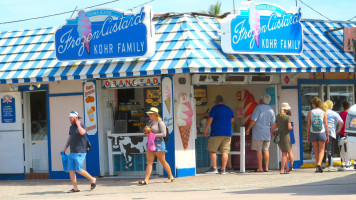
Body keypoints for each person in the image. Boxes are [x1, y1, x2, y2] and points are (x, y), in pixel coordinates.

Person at [62, 111, 96, 193]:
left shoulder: (82, 125)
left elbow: (82, 132)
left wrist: (78, 124)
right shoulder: (71, 127)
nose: (69, 119)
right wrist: (65, 147)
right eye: (69, 117)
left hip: (80, 151)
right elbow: (70, 138)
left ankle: (92, 179)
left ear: (76, 118)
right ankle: (75, 188)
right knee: (71, 170)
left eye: (71, 117)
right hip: (72, 151)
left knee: (79, 170)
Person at [139, 107, 175, 185]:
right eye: (149, 114)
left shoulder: (160, 122)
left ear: (155, 114)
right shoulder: (150, 123)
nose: (149, 115)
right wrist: (147, 133)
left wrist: (153, 135)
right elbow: (148, 133)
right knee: (149, 162)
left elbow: (164, 134)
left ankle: (171, 176)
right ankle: (146, 180)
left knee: (162, 161)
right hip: (150, 143)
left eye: (151, 114)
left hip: (158, 143)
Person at [204, 95, 234, 175]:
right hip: (227, 133)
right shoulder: (229, 109)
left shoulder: (215, 108)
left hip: (216, 133)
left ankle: (214, 168)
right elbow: (232, 120)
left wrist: (206, 129)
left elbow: (210, 119)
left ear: (216, 101)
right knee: (225, 151)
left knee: (212, 150)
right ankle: (223, 169)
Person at [246, 94, 275, 172]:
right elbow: (273, 124)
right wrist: (271, 132)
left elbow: (253, 120)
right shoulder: (271, 110)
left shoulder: (258, 108)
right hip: (267, 133)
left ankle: (260, 168)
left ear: (262, 100)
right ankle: (266, 167)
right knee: (266, 149)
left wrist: (248, 128)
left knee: (258, 150)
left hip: (258, 132)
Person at [307, 97, 329, 173]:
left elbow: (308, 125)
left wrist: (307, 135)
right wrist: (328, 135)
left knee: (315, 150)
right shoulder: (323, 113)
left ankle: (317, 165)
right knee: (322, 150)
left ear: (313, 104)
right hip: (322, 132)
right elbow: (326, 124)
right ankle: (319, 164)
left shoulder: (310, 113)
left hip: (313, 133)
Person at [321, 100, 343, 171]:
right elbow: (341, 122)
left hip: (322, 132)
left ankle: (323, 163)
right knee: (330, 149)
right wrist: (338, 130)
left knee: (323, 149)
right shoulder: (334, 113)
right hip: (331, 133)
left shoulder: (322, 112)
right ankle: (330, 165)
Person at [271, 103, 293, 174]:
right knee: (284, 154)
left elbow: (274, 126)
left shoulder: (278, 116)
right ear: (286, 110)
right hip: (285, 136)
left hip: (279, 136)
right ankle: (282, 169)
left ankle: (287, 168)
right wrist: (291, 127)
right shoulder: (288, 117)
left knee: (284, 153)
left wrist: (271, 133)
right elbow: (289, 127)